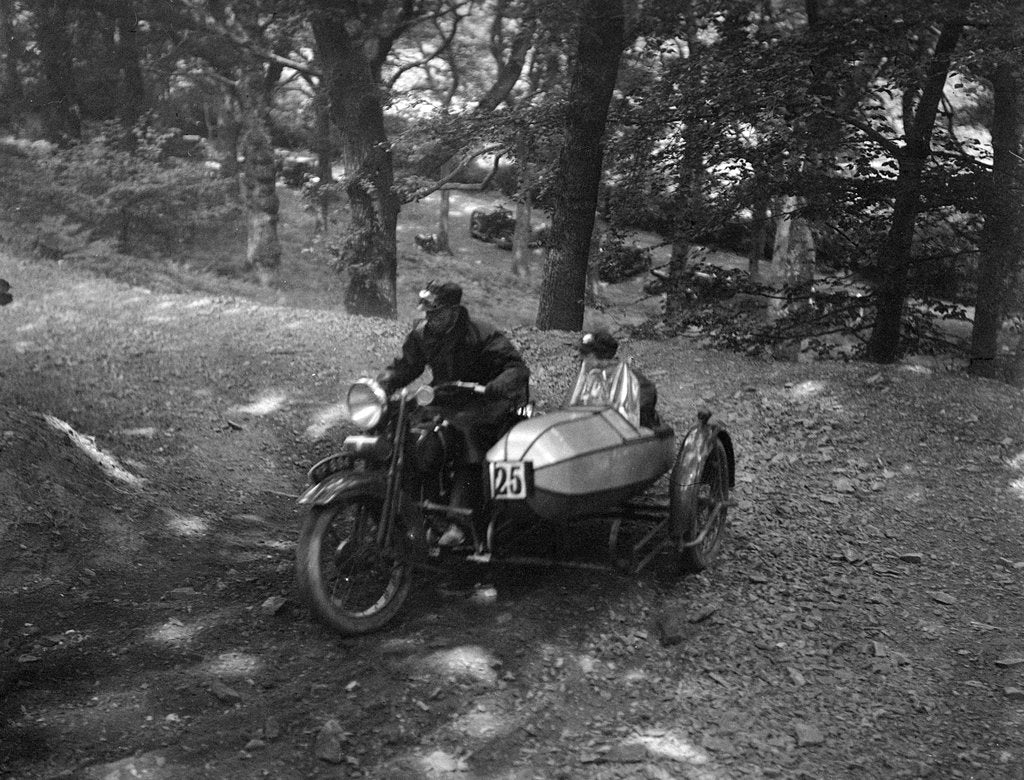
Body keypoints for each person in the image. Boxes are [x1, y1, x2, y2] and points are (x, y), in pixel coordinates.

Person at [376, 281, 530, 544]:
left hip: (485, 402)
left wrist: (496, 386)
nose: (429, 317)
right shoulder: (422, 333)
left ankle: (459, 524)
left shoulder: (481, 333)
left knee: (466, 438)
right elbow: (407, 366)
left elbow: (516, 368)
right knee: (408, 433)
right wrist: (381, 385)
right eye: (426, 311)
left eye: (435, 312)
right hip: (446, 399)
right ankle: (404, 508)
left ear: (453, 311)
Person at [578, 329, 660, 428]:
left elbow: (637, 413)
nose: (583, 361)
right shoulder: (594, 375)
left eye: (585, 357)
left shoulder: (632, 379)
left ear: (593, 357)